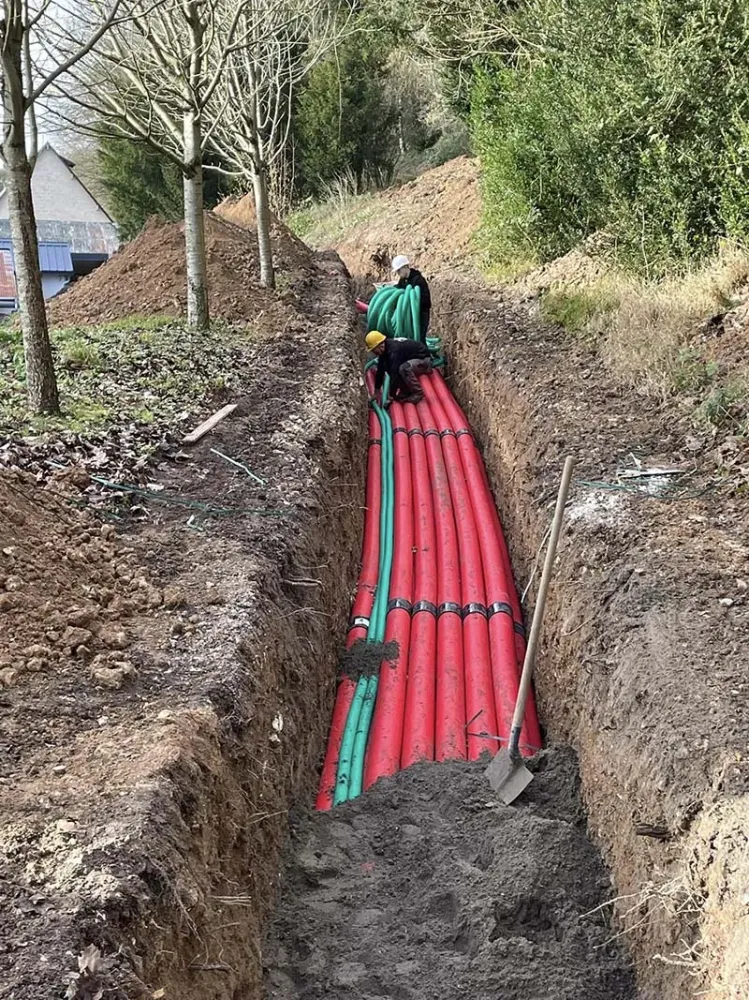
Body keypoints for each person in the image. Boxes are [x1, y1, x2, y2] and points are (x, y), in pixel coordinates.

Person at [366, 330, 433, 404]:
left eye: (374, 351)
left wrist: (391, 396)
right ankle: (406, 391)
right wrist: (376, 392)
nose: (374, 353)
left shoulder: (394, 350)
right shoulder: (385, 350)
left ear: (381, 345)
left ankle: (418, 393)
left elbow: (394, 372)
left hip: (424, 360)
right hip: (411, 359)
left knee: (403, 368)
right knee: (390, 367)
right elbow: (380, 371)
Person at [392, 254, 431, 342]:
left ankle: (424, 354)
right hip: (408, 315)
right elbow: (397, 292)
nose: (398, 273)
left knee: (419, 338)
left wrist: (412, 303)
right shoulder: (402, 280)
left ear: (405, 267)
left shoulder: (418, 280)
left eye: (399, 270)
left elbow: (426, 301)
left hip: (420, 314)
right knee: (408, 339)